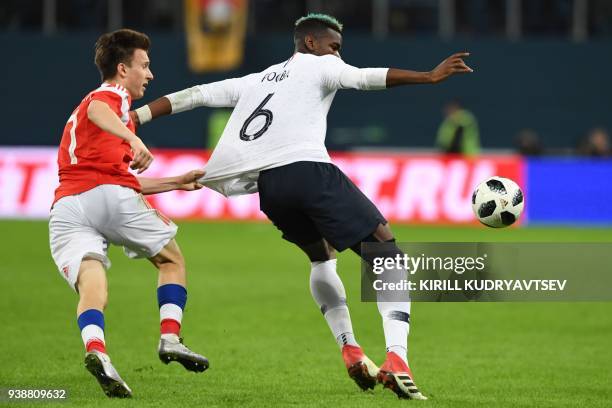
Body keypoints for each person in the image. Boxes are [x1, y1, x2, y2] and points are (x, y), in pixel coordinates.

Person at [133, 13, 472, 400]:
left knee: (322, 258)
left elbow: (195, 95)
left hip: (271, 187)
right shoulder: (321, 66)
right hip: (309, 171)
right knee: (386, 252)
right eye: (334, 46)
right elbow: (364, 78)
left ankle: (350, 347)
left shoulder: (256, 80)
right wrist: (428, 77)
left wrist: (137, 115)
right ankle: (397, 356)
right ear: (310, 43)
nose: (338, 54)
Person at [49, 29, 208, 399]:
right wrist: (135, 138)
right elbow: (99, 108)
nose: (149, 74)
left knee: (92, 283)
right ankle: (170, 337)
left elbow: (119, 178)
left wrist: (175, 181)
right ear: (122, 69)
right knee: (171, 260)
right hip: (107, 196)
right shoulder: (109, 97)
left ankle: (97, 352)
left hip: (68, 207)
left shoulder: (90, 122)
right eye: (145, 65)